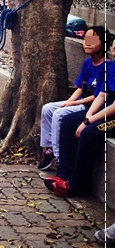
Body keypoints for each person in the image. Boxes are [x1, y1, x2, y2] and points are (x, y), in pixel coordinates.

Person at [38, 26, 109, 170]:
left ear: (103, 44)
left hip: (92, 106)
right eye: (86, 39)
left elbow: (99, 96)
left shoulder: (108, 67)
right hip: (81, 101)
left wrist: (73, 103)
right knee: (48, 108)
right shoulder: (87, 63)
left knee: (59, 114)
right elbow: (80, 88)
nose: (87, 43)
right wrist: (69, 102)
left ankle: (60, 157)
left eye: (93, 39)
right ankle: (49, 149)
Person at [44, 58, 115, 197]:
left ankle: (78, 185)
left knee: (89, 133)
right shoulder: (111, 67)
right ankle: (65, 175)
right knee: (68, 121)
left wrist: (89, 122)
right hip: (105, 110)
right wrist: (87, 117)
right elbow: (101, 95)